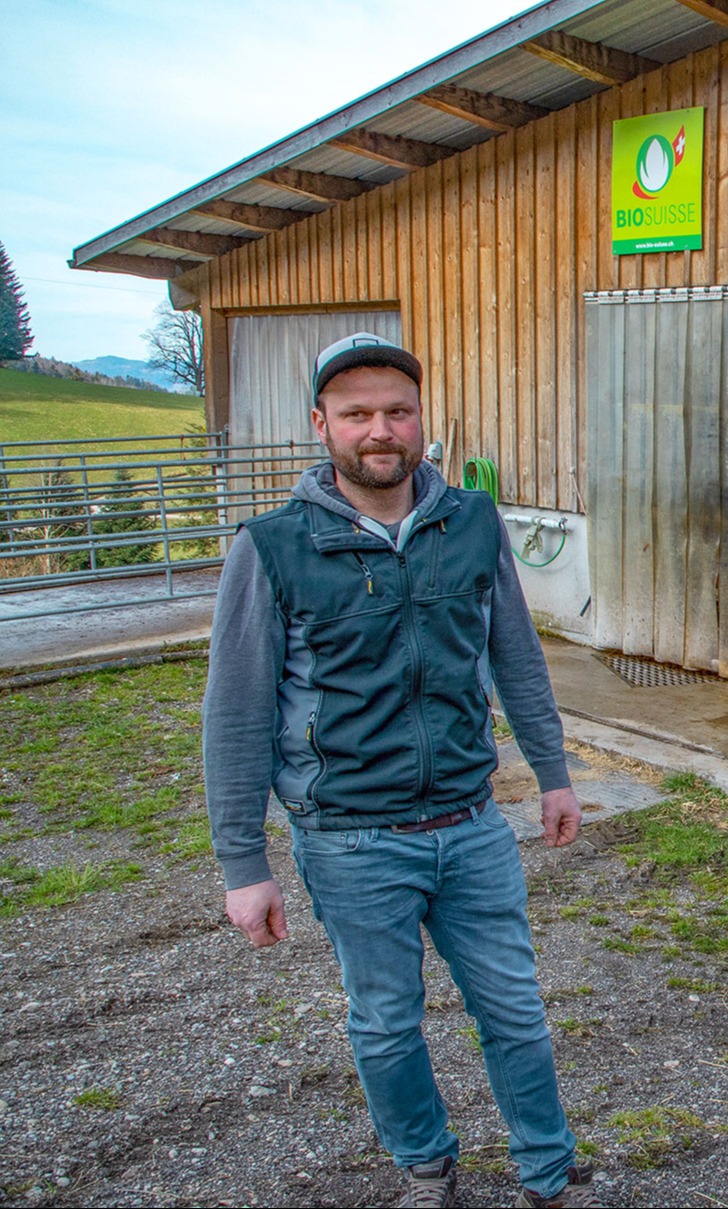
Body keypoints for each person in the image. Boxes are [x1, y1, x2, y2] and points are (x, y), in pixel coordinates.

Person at [202, 332, 599, 1209]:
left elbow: (517, 660)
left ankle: (546, 1165)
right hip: (349, 838)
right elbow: (235, 713)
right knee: (385, 1023)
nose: (380, 430)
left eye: (397, 410)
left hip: (469, 822)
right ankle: (425, 1165)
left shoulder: (472, 522)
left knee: (516, 1011)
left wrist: (553, 771)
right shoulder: (272, 547)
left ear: (421, 418)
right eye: (357, 414)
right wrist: (244, 865)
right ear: (321, 425)